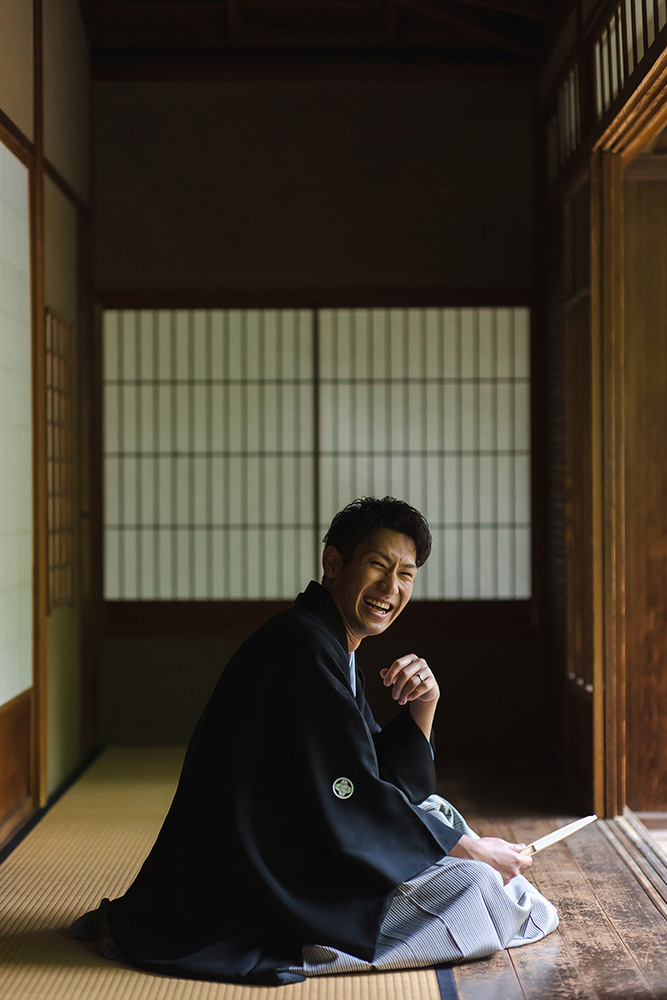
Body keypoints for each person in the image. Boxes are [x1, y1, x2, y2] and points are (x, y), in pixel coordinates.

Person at [71, 496, 557, 984]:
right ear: (333, 563)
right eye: (377, 566)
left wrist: (423, 706)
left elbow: (382, 780)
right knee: (473, 881)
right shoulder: (301, 649)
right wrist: (468, 850)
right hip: (260, 878)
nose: (391, 587)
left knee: (443, 819)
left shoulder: (327, 644)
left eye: (406, 574)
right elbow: (352, 797)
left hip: (295, 847)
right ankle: (312, 946)